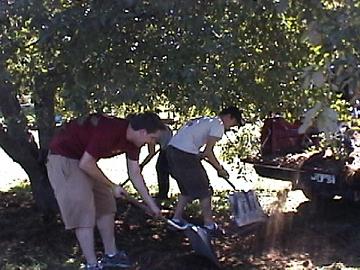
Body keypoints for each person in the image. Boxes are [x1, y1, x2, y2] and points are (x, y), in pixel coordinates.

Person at [46, 112, 165, 270]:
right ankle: (92, 265)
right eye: (152, 138)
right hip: (64, 158)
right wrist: (111, 185)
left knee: (106, 204)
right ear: (143, 132)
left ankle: (111, 255)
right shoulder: (110, 129)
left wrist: (152, 205)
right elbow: (86, 164)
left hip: (83, 159)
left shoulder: (134, 143)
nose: (152, 142)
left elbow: (135, 173)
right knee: (83, 212)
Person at [166, 106, 245, 235]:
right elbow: (208, 152)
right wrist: (220, 169)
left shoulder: (206, 120)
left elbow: (197, 146)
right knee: (205, 190)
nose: (230, 127)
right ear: (230, 117)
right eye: (233, 123)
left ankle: (176, 219)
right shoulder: (218, 124)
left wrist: (198, 154)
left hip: (171, 152)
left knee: (186, 190)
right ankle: (209, 225)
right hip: (184, 154)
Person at [139, 124, 173, 200]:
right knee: (165, 169)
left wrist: (142, 165)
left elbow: (151, 153)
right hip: (170, 145)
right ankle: (163, 194)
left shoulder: (149, 134)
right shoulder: (154, 127)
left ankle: (163, 195)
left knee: (161, 168)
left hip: (168, 149)